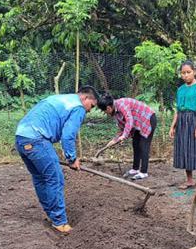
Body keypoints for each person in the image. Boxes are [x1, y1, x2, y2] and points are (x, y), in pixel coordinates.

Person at [15, 86, 99, 234]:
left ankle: (52, 215)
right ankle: (60, 222)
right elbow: (68, 135)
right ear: (85, 98)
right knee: (56, 179)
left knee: (40, 178)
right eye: (91, 106)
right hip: (37, 139)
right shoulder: (78, 107)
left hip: (21, 137)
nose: (89, 110)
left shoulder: (61, 98)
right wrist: (72, 159)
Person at [169, 61, 196, 191]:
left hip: (195, 120)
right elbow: (178, 110)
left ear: (195, 72)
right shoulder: (180, 90)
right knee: (185, 150)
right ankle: (190, 180)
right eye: (183, 73)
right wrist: (172, 126)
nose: (185, 75)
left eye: (188, 72)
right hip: (182, 122)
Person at [97, 95, 157, 180]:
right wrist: (115, 140)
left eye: (104, 111)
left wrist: (124, 136)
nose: (105, 113)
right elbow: (123, 128)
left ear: (108, 108)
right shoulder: (116, 113)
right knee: (135, 144)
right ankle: (135, 169)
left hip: (147, 119)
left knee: (144, 145)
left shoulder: (122, 104)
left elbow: (129, 120)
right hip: (137, 124)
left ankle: (144, 172)